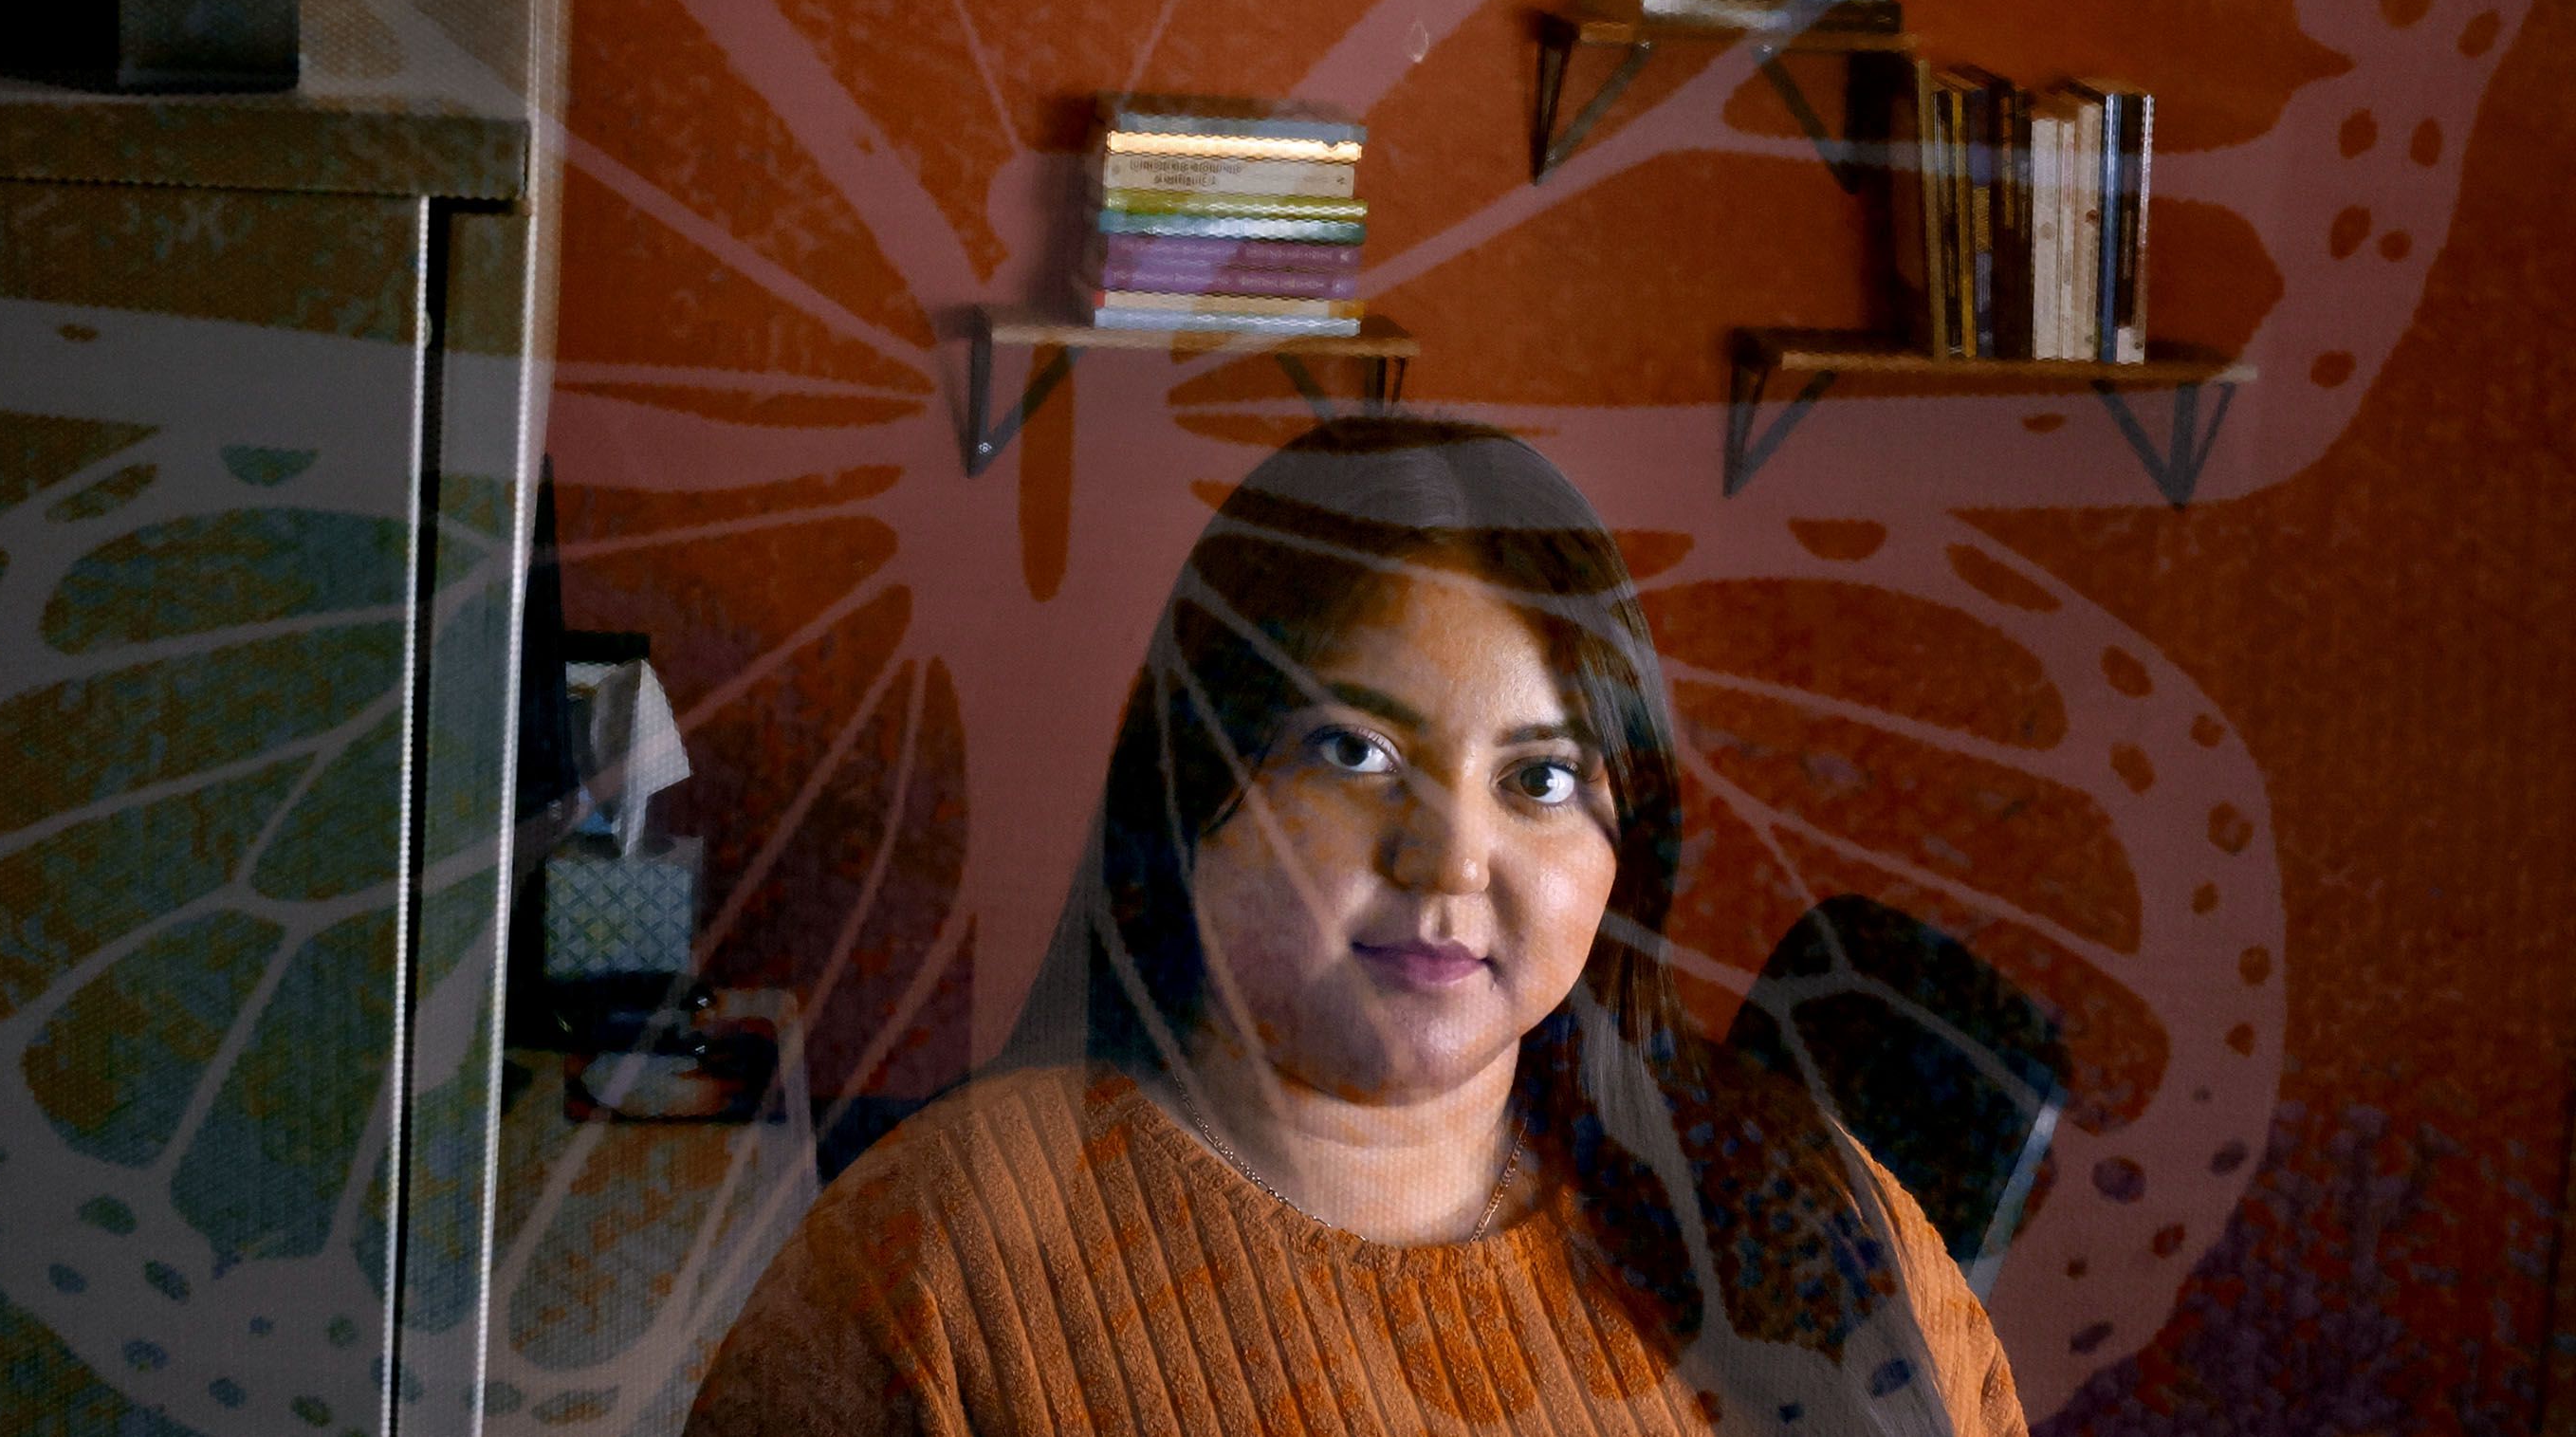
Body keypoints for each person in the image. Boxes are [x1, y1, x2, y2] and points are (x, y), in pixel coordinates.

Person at [689, 417, 2026, 1435]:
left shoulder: (1804, 1196)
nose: (1449, 856)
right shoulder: (928, 1268)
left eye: (1541, 778)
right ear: (1189, 789)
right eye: (1352, 750)